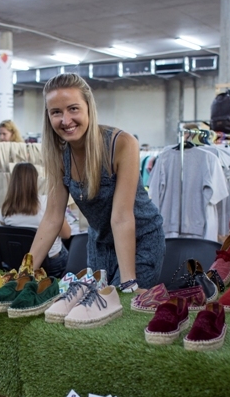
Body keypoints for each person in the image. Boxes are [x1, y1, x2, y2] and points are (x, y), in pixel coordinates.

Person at [28, 73, 165, 290]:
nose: (65, 121)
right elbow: (53, 217)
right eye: (56, 112)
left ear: (88, 107)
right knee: (96, 309)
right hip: (99, 242)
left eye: (73, 108)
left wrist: (129, 281)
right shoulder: (59, 155)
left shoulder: (121, 144)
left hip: (140, 239)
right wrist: (24, 272)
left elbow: (121, 218)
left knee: (124, 305)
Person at [0, 163, 70, 278]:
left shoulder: (5, 208)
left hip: (17, 262)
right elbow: (67, 234)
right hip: (50, 265)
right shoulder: (46, 203)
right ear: (35, 180)